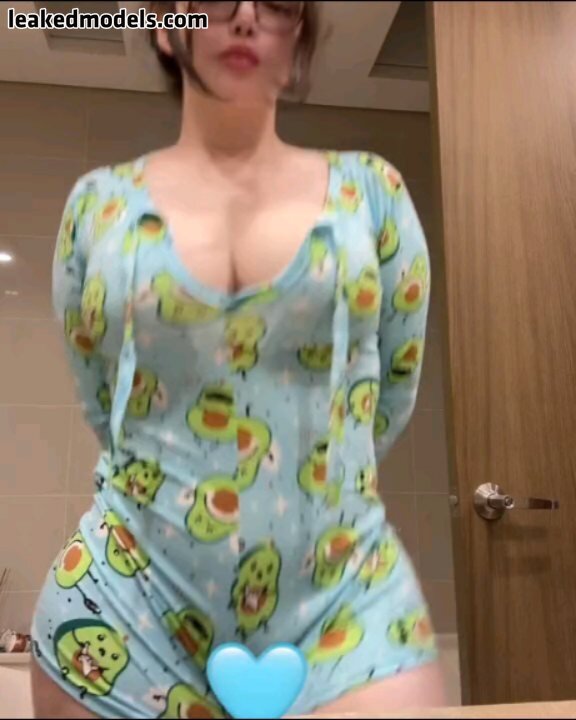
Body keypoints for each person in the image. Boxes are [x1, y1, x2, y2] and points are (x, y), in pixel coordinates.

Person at [30, 1, 446, 717]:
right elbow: (103, 401)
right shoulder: (97, 206)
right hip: (125, 614)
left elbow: (392, 389)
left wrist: (310, 483)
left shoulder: (373, 194)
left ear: (298, 33)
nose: (247, 14)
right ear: (165, 25)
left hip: (345, 605)